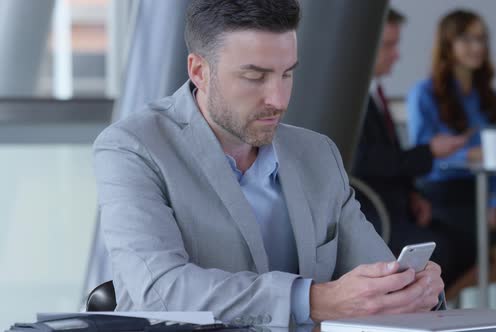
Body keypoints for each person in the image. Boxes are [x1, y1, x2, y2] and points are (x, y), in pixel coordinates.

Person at [93, 0, 444, 327]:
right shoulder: (133, 148)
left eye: (287, 74)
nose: (277, 99)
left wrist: (413, 288)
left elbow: (376, 275)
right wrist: (312, 300)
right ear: (199, 71)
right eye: (255, 77)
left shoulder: (317, 154)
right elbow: (160, 291)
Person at [406, 9, 496, 300]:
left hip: (482, 191)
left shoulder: (493, 98)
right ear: (448, 44)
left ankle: (447, 299)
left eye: (482, 39)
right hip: (444, 193)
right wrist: (470, 156)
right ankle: (442, 304)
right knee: (460, 251)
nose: (478, 47)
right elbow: (424, 158)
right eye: (468, 39)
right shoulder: (424, 93)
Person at [352, 8, 468, 279]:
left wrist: (414, 194)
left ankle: (432, 309)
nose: (397, 54)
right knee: (442, 250)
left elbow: (387, 156)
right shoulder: (351, 99)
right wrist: (429, 151)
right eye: (389, 45)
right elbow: (363, 161)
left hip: (396, 206)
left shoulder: (374, 93)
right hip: (374, 215)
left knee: (459, 240)